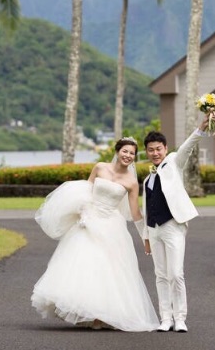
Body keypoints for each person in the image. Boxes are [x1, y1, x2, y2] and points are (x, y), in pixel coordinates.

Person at [31, 137, 159, 332]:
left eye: (132, 153)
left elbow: (135, 213)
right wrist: (83, 212)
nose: (128, 155)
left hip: (111, 225)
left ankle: (101, 316)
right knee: (83, 264)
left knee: (108, 269)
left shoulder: (132, 182)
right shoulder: (100, 167)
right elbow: (86, 190)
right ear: (117, 151)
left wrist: (146, 237)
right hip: (88, 220)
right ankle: (84, 309)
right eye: (125, 151)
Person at [139, 113, 215, 333]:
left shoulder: (174, 162)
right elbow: (146, 209)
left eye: (158, 149)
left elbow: (187, 147)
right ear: (147, 152)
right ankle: (165, 318)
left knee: (176, 274)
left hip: (173, 226)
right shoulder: (147, 179)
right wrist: (146, 237)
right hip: (154, 230)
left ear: (165, 149)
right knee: (160, 275)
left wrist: (201, 128)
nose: (155, 153)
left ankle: (180, 318)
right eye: (151, 150)